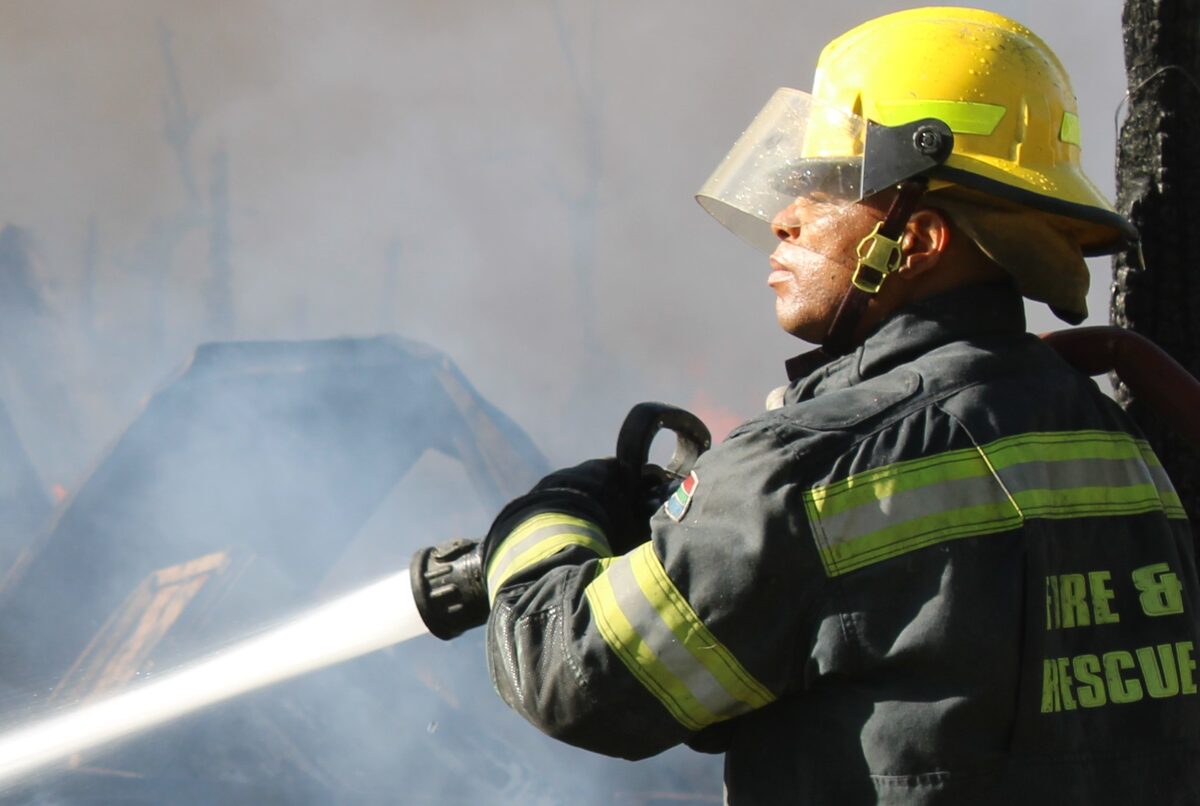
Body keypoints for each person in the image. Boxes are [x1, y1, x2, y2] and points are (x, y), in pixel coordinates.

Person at [478, 8, 1200, 804]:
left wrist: (547, 520)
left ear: (918, 241)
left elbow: (577, 680)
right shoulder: (1111, 436)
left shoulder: (805, 470)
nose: (784, 216)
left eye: (825, 187)